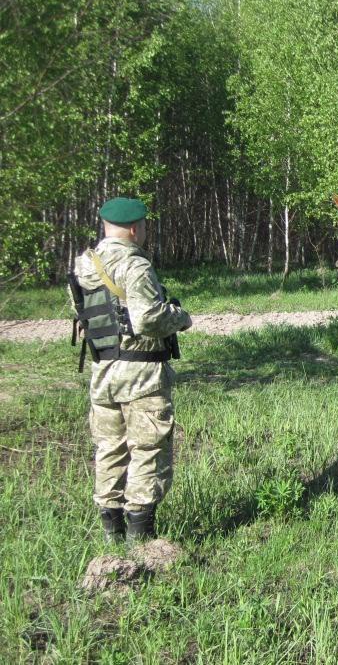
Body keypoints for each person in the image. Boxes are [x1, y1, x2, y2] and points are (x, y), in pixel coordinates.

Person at [70, 198, 192, 543]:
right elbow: (148, 319)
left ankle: (112, 534)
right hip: (141, 375)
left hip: (103, 371)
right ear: (136, 228)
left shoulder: (84, 266)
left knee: (109, 449)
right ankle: (141, 539)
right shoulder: (134, 265)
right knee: (147, 449)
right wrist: (181, 318)